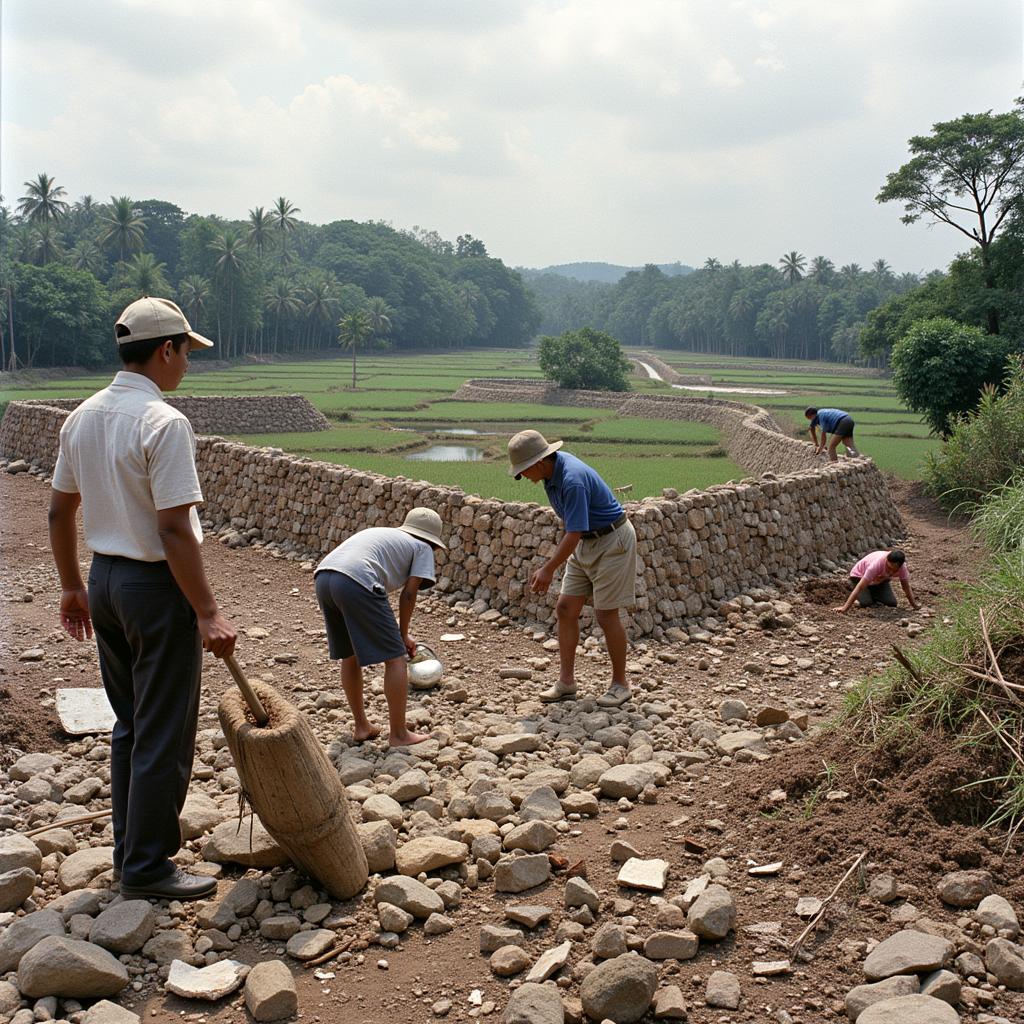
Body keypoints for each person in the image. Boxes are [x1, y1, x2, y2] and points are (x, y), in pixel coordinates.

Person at [48, 296, 236, 902]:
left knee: (131, 724)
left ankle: (131, 852)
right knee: (163, 729)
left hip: (104, 581)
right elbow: (174, 529)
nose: (187, 365)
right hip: (154, 589)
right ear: (165, 350)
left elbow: (58, 511)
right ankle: (149, 867)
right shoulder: (163, 423)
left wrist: (72, 586)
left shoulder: (81, 417)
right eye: (186, 352)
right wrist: (207, 611)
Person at [508, 429, 637, 708]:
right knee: (566, 608)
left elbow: (574, 531)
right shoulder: (550, 474)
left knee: (605, 614)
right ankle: (566, 683)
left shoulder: (572, 479)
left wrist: (548, 569)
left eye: (524, 471)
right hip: (587, 541)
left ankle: (620, 685)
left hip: (612, 541)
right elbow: (575, 529)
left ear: (539, 463)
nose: (523, 477)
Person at [314, 508, 446, 746]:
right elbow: (408, 594)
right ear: (433, 541)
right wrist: (402, 635)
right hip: (357, 579)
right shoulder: (422, 547)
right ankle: (399, 734)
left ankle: (361, 726)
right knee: (395, 657)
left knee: (350, 654)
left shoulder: (386, 535)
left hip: (324, 577)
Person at [835, 548, 920, 613]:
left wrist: (914, 605)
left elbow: (906, 587)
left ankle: (870, 591)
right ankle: (853, 591)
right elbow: (860, 587)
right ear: (886, 560)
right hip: (858, 577)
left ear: (900, 566)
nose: (890, 572)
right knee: (866, 602)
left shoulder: (902, 568)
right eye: (889, 568)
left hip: (879, 580)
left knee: (891, 603)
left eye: (894, 570)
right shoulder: (876, 565)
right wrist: (845, 608)